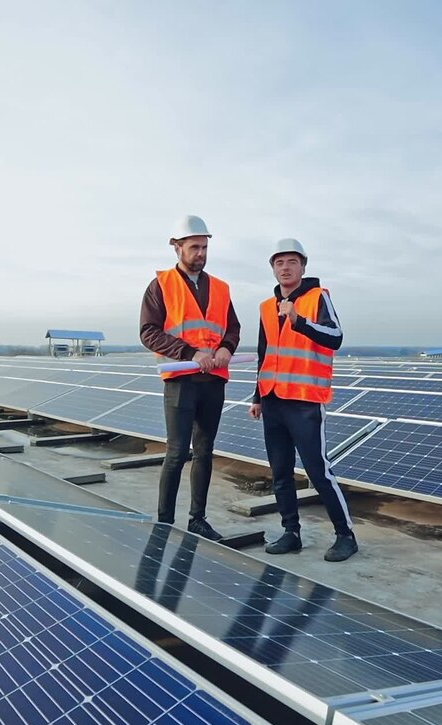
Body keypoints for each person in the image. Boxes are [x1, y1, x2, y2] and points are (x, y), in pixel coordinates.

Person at [249, 238, 357, 562]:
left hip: (305, 401)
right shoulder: (266, 307)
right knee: (280, 471)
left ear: (303, 267)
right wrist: (257, 396)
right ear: (273, 268)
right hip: (272, 400)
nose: (285, 268)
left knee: (317, 470)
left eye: (291, 262)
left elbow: (336, 337)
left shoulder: (317, 298)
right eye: (279, 263)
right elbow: (263, 354)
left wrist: (299, 321)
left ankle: (345, 535)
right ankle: (291, 533)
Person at [140, 215, 240, 540]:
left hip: (213, 382)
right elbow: (148, 332)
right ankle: (164, 522)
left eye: (204, 247)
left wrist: (226, 347)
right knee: (177, 451)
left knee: (205, 451)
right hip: (181, 380)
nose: (200, 253)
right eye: (194, 247)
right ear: (177, 247)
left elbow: (232, 328)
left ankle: (198, 519)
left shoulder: (221, 288)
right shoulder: (161, 285)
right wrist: (189, 353)